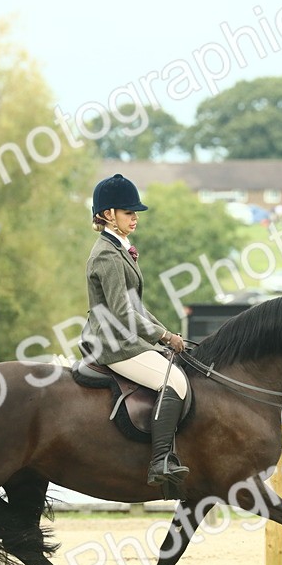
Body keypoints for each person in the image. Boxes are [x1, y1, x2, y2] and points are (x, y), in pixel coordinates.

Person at [80, 173, 190, 488]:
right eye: (129, 212)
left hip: (127, 337)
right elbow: (122, 312)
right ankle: (160, 463)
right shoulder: (105, 254)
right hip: (115, 343)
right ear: (107, 215)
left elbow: (137, 307)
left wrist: (165, 333)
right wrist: (163, 336)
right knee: (175, 381)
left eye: (135, 212)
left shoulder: (120, 248)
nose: (135, 217)